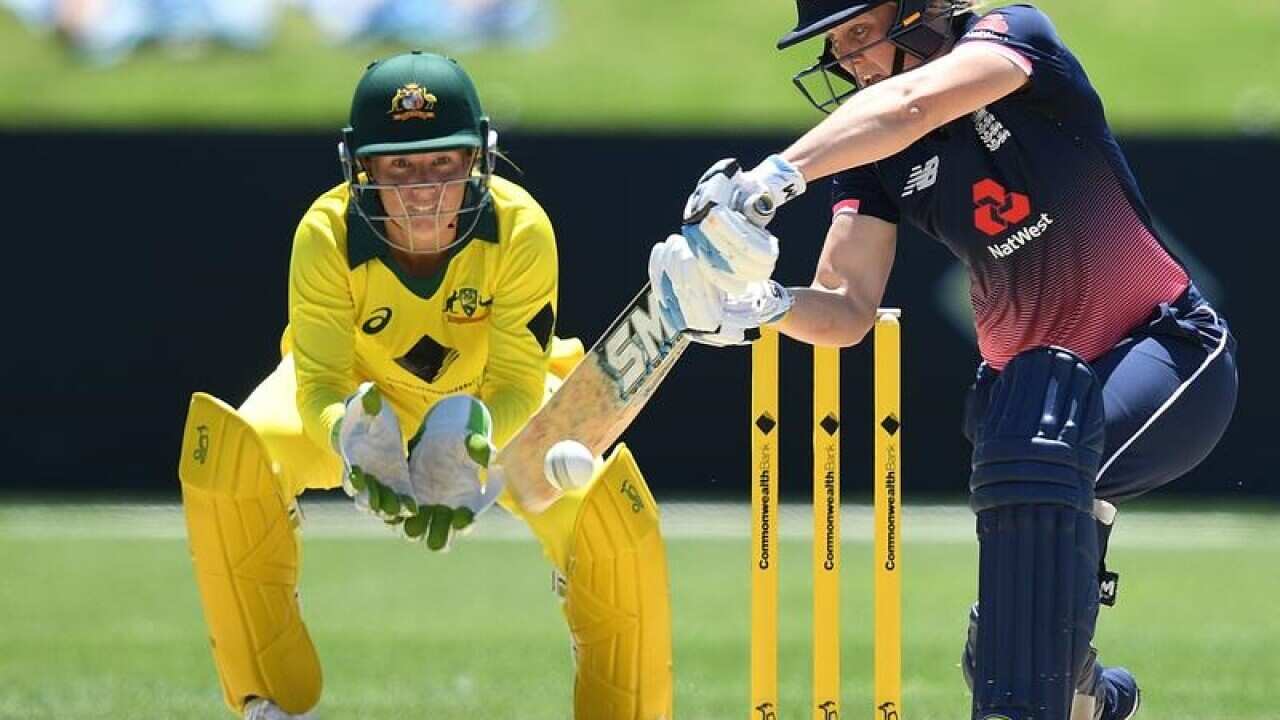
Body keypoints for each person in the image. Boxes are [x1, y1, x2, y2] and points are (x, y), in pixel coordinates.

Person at [648, 2, 1238, 719]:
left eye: (861, 35)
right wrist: (760, 305)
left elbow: (911, 103)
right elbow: (845, 308)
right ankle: (1093, 695)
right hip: (1030, 402)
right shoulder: (872, 161)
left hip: (1164, 350)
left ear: (922, 12)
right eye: (837, 47)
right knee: (1003, 648)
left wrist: (767, 179)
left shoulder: (1015, 36)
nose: (851, 62)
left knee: (1035, 484)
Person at [177, 51, 673, 720]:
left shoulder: (518, 226)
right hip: (364, 397)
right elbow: (317, 384)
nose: (423, 190)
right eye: (400, 167)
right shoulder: (327, 232)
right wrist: (350, 436)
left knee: (610, 522)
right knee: (230, 458)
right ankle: (272, 701)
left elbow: (519, 382)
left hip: (496, 408)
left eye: (443, 162)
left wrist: (469, 436)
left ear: (477, 160)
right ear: (363, 170)